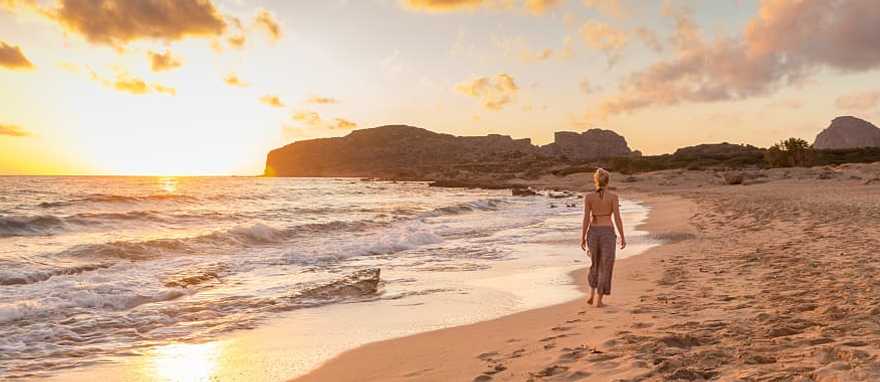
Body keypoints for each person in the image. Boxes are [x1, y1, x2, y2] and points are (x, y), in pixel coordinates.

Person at [579, 168, 626, 307]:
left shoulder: (589, 197)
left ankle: (591, 295)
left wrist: (582, 237)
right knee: (606, 265)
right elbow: (617, 218)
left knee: (595, 263)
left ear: (596, 180)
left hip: (593, 232)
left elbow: (586, 219)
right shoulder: (613, 197)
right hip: (607, 232)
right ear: (608, 181)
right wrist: (622, 236)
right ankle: (599, 300)